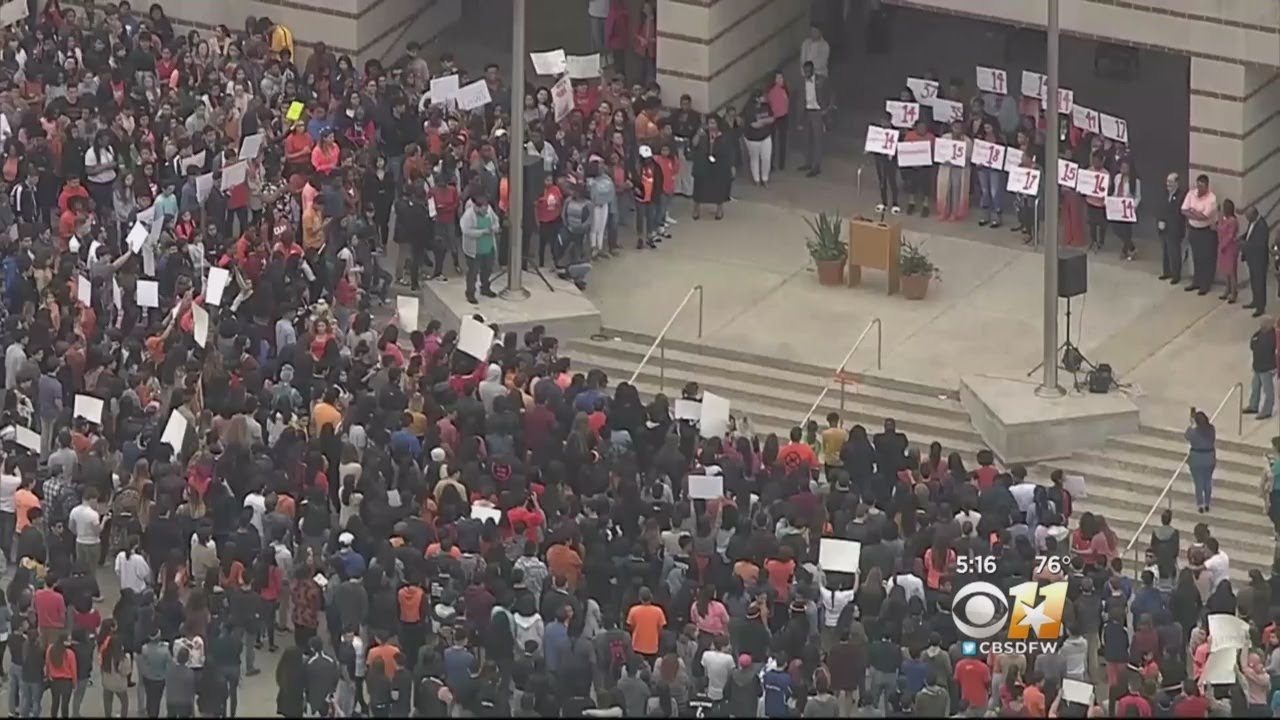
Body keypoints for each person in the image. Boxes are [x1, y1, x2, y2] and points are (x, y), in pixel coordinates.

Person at [459, 192, 500, 305]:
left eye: (486, 208)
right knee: (472, 272)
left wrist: (495, 227)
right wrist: (482, 232)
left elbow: (496, 220)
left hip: (488, 247)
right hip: (474, 250)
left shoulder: (489, 210)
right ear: (476, 207)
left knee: (487, 269)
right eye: (483, 209)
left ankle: (485, 288)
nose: (486, 211)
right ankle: (470, 293)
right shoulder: (468, 216)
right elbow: (466, 231)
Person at [1181, 173, 1219, 295]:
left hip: (1206, 232)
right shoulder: (1191, 194)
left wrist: (1192, 212)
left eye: (1201, 186)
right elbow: (1183, 210)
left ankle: (1205, 284)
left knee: (1206, 258)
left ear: (1207, 186)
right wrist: (1195, 214)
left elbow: (1204, 217)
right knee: (1196, 257)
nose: (1199, 189)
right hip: (1193, 230)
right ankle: (1196, 281)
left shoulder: (1212, 199)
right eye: (1197, 186)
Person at [799, 61, 829, 178]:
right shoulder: (801, 82)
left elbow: (831, 93)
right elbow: (800, 100)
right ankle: (808, 162)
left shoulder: (821, 80)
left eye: (807, 71)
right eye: (804, 71)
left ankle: (816, 167)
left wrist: (827, 108)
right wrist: (799, 118)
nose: (805, 73)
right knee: (806, 139)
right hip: (806, 112)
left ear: (812, 70)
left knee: (817, 140)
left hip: (817, 112)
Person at [1159, 172, 1189, 283]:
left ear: (1177, 183)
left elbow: (1177, 213)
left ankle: (1176, 275)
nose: (1168, 184)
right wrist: (1161, 220)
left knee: (1174, 252)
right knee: (1165, 250)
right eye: (1167, 182)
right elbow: (1161, 207)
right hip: (1164, 227)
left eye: (1171, 182)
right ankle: (1166, 272)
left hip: (1175, 228)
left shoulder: (1181, 195)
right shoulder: (1165, 193)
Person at [1185, 408, 1216, 513]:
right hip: (1209, 457)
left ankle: (1200, 504)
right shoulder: (1211, 429)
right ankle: (1207, 502)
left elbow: (1187, 436)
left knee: (1198, 482)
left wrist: (1192, 425)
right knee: (1208, 481)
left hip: (1197, 458)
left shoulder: (1193, 432)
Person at [1246, 315, 1277, 420]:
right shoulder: (1258, 334)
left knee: (1268, 391)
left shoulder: (1274, 336)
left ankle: (1266, 411)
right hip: (1257, 366)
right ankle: (1253, 406)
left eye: (1264, 323)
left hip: (1267, 367)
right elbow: (1252, 345)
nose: (1261, 325)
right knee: (1255, 387)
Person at [1242, 205, 1271, 315]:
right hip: (1252, 259)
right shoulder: (1252, 222)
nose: (1247, 219)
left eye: (1248, 217)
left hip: (1260, 260)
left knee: (1260, 283)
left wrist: (1244, 245)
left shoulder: (1262, 226)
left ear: (1254, 215)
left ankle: (1261, 307)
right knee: (1254, 281)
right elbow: (1249, 234)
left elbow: (1259, 245)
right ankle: (1255, 301)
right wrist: (1242, 238)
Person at [1110, 158, 1142, 260]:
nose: (1123, 170)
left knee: (1126, 231)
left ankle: (1125, 251)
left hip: (1128, 209)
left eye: (1125, 168)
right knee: (1116, 229)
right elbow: (1115, 192)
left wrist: (1133, 207)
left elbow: (1138, 196)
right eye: (1122, 167)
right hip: (1117, 207)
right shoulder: (1117, 177)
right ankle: (1132, 248)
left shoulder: (1135, 181)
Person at [743, 89, 774, 188]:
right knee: (754, 158)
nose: (765, 97)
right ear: (757, 98)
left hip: (765, 136)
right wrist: (765, 121)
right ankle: (756, 179)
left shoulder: (766, 105)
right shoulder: (749, 108)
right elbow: (754, 125)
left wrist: (762, 121)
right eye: (762, 96)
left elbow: (772, 118)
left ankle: (765, 178)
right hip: (753, 139)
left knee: (766, 158)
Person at [1217, 198, 1241, 303]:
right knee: (1225, 271)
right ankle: (1227, 290)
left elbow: (1230, 235)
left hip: (1230, 248)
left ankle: (1233, 292)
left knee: (1231, 272)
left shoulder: (1233, 221)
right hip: (1222, 246)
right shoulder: (1223, 218)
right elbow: (1219, 228)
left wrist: (1223, 245)